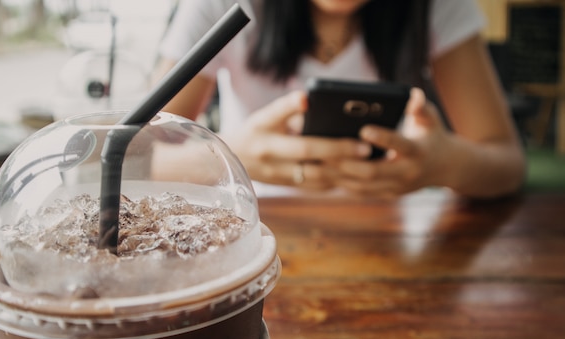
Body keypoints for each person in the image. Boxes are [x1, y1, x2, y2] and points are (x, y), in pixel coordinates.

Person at [153, 0, 526, 199]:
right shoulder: (217, 4)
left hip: (384, 240)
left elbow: (508, 164)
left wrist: (441, 165)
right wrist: (230, 161)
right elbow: (134, 156)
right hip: (253, 229)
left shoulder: (437, 6)